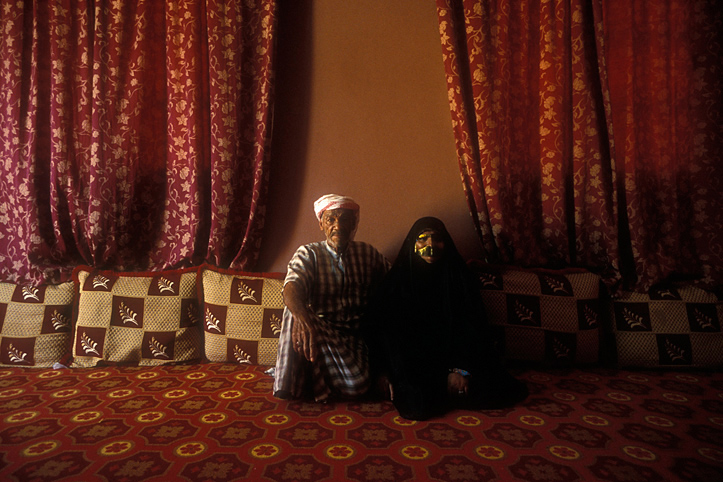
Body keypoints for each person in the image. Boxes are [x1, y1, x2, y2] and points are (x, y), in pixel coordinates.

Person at [366, 216, 528, 420]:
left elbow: (473, 327)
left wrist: (460, 369)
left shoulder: (459, 278)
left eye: (437, 239)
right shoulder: (396, 283)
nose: (430, 245)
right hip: (415, 363)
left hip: (455, 358)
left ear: (446, 243)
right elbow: (382, 332)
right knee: (417, 403)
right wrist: (383, 371)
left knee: (491, 388)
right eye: (422, 239)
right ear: (412, 244)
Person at [273, 194, 389, 402]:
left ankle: (311, 377)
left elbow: (395, 280)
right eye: (331, 219)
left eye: (345, 219)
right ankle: (285, 388)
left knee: (359, 385)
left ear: (354, 223)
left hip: (355, 339)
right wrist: (303, 317)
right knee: (292, 311)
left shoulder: (368, 254)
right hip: (318, 332)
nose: (338, 225)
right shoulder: (309, 254)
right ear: (321, 224)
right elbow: (292, 287)